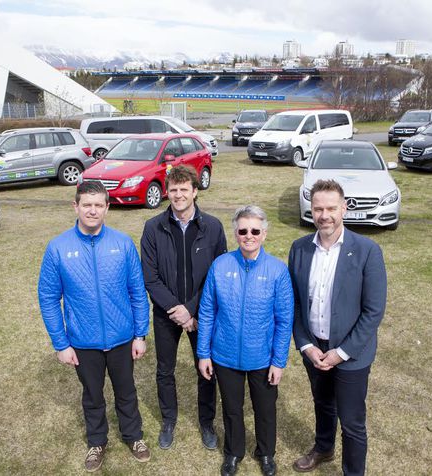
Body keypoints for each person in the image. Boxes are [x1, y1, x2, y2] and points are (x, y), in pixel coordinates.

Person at [37, 181, 151, 472]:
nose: (92, 210)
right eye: (87, 204)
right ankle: (97, 441)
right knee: (92, 395)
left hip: (122, 337)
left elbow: (138, 292)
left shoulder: (123, 243)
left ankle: (133, 436)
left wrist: (140, 334)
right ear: (75, 206)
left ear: (107, 208)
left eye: (99, 205)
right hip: (83, 342)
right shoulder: (58, 248)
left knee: (126, 391)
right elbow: (49, 298)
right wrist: (61, 344)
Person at [288, 179, 387, 476]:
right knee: (322, 403)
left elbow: (373, 311)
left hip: (351, 355)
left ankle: (353, 472)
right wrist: (306, 345)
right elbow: (293, 303)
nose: (324, 215)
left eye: (331, 208)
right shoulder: (300, 249)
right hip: (314, 348)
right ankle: (324, 447)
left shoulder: (368, 250)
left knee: (352, 421)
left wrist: (341, 353)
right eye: (318, 209)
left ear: (344, 208)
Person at [197, 205, 294, 476]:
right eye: (242, 230)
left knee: (265, 410)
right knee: (232, 409)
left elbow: (284, 321)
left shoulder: (277, 271)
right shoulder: (220, 265)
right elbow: (207, 311)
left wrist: (279, 361)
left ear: (264, 234)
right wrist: (203, 353)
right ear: (236, 233)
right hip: (225, 355)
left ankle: (266, 453)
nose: (248, 236)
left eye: (254, 230)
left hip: (262, 358)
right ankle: (233, 453)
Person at [140, 165, 227, 450]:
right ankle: (168, 420)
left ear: (195, 191)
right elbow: (149, 277)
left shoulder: (213, 227)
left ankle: (206, 422)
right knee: (165, 370)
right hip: (166, 315)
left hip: (201, 315)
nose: (177, 195)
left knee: (206, 368)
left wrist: (192, 309)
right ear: (167, 191)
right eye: (173, 190)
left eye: (183, 190)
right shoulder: (153, 227)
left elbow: (218, 274)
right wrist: (177, 310)